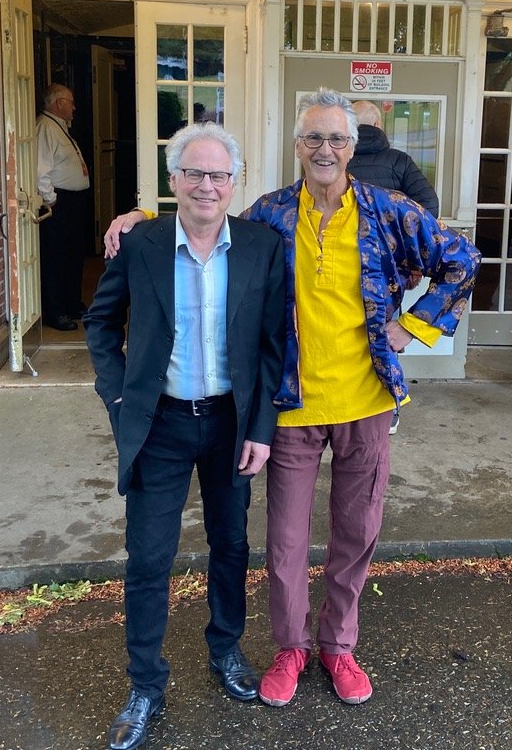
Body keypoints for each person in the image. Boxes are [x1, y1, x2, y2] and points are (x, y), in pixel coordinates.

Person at [101, 89, 479, 708]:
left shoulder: (388, 211)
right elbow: (204, 212)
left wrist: (412, 326)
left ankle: (339, 647)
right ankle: (290, 647)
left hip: (366, 402)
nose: (324, 149)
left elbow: (462, 260)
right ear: (297, 146)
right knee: (284, 544)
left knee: (356, 536)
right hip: (291, 406)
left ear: (353, 147)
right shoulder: (271, 214)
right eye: (313, 138)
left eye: (336, 138)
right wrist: (141, 216)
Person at [84, 123, 287, 750]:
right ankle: (145, 685)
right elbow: (99, 323)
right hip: (160, 426)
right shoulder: (141, 243)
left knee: (230, 547)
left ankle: (225, 651)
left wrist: (261, 428)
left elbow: (274, 344)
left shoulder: (261, 246)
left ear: (235, 183)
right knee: (148, 559)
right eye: (194, 173)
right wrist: (120, 400)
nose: (207, 185)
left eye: (219, 175)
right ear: (173, 181)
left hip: (230, 423)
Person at [36, 83, 91, 331]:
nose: (74, 107)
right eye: (70, 101)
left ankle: (72, 303)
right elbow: (40, 169)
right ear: (58, 103)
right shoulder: (45, 127)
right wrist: (51, 199)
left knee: (73, 254)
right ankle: (56, 311)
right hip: (59, 203)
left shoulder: (60, 128)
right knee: (56, 258)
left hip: (73, 202)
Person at [347, 100, 440, 216]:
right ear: (377, 124)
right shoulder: (399, 160)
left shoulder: (336, 160)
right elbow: (429, 206)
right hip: (389, 233)